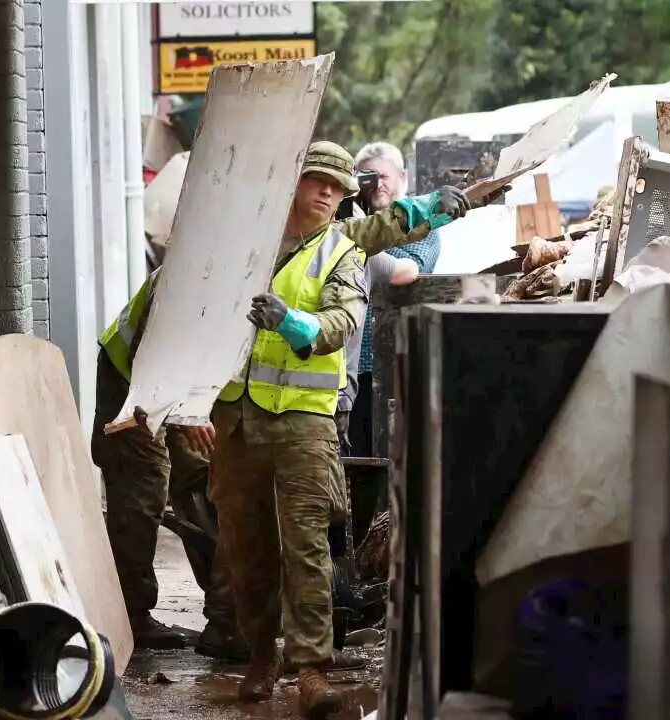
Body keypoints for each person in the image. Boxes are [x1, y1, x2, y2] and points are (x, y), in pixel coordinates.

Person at [208, 140, 474, 717]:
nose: (327, 193)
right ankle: (260, 654)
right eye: (316, 182)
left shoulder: (341, 250)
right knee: (245, 548)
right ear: (293, 184)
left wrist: (292, 321)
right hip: (236, 421)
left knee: (305, 547)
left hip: (304, 422)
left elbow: (342, 322)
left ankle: (310, 669)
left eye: (337, 187)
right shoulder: (244, 241)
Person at [92, 269, 248, 660]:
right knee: (141, 487)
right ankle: (131, 611)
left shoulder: (245, 267)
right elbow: (152, 360)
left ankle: (225, 615)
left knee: (201, 477)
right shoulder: (189, 274)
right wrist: (185, 416)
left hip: (179, 385)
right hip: (134, 383)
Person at [350, 142, 442, 453]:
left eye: (383, 176)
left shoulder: (421, 223)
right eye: (368, 177)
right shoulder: (350, 221)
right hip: (346, 363)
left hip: (390, 361)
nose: (377, 184)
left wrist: (359, 246)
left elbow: (406, 271)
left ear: (402, 176)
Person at [336, 251, 418, 455]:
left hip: (357, 381)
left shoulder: (363, 251)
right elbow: (409, 269)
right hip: (336, 388)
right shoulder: (357, 250)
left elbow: (417, 265)